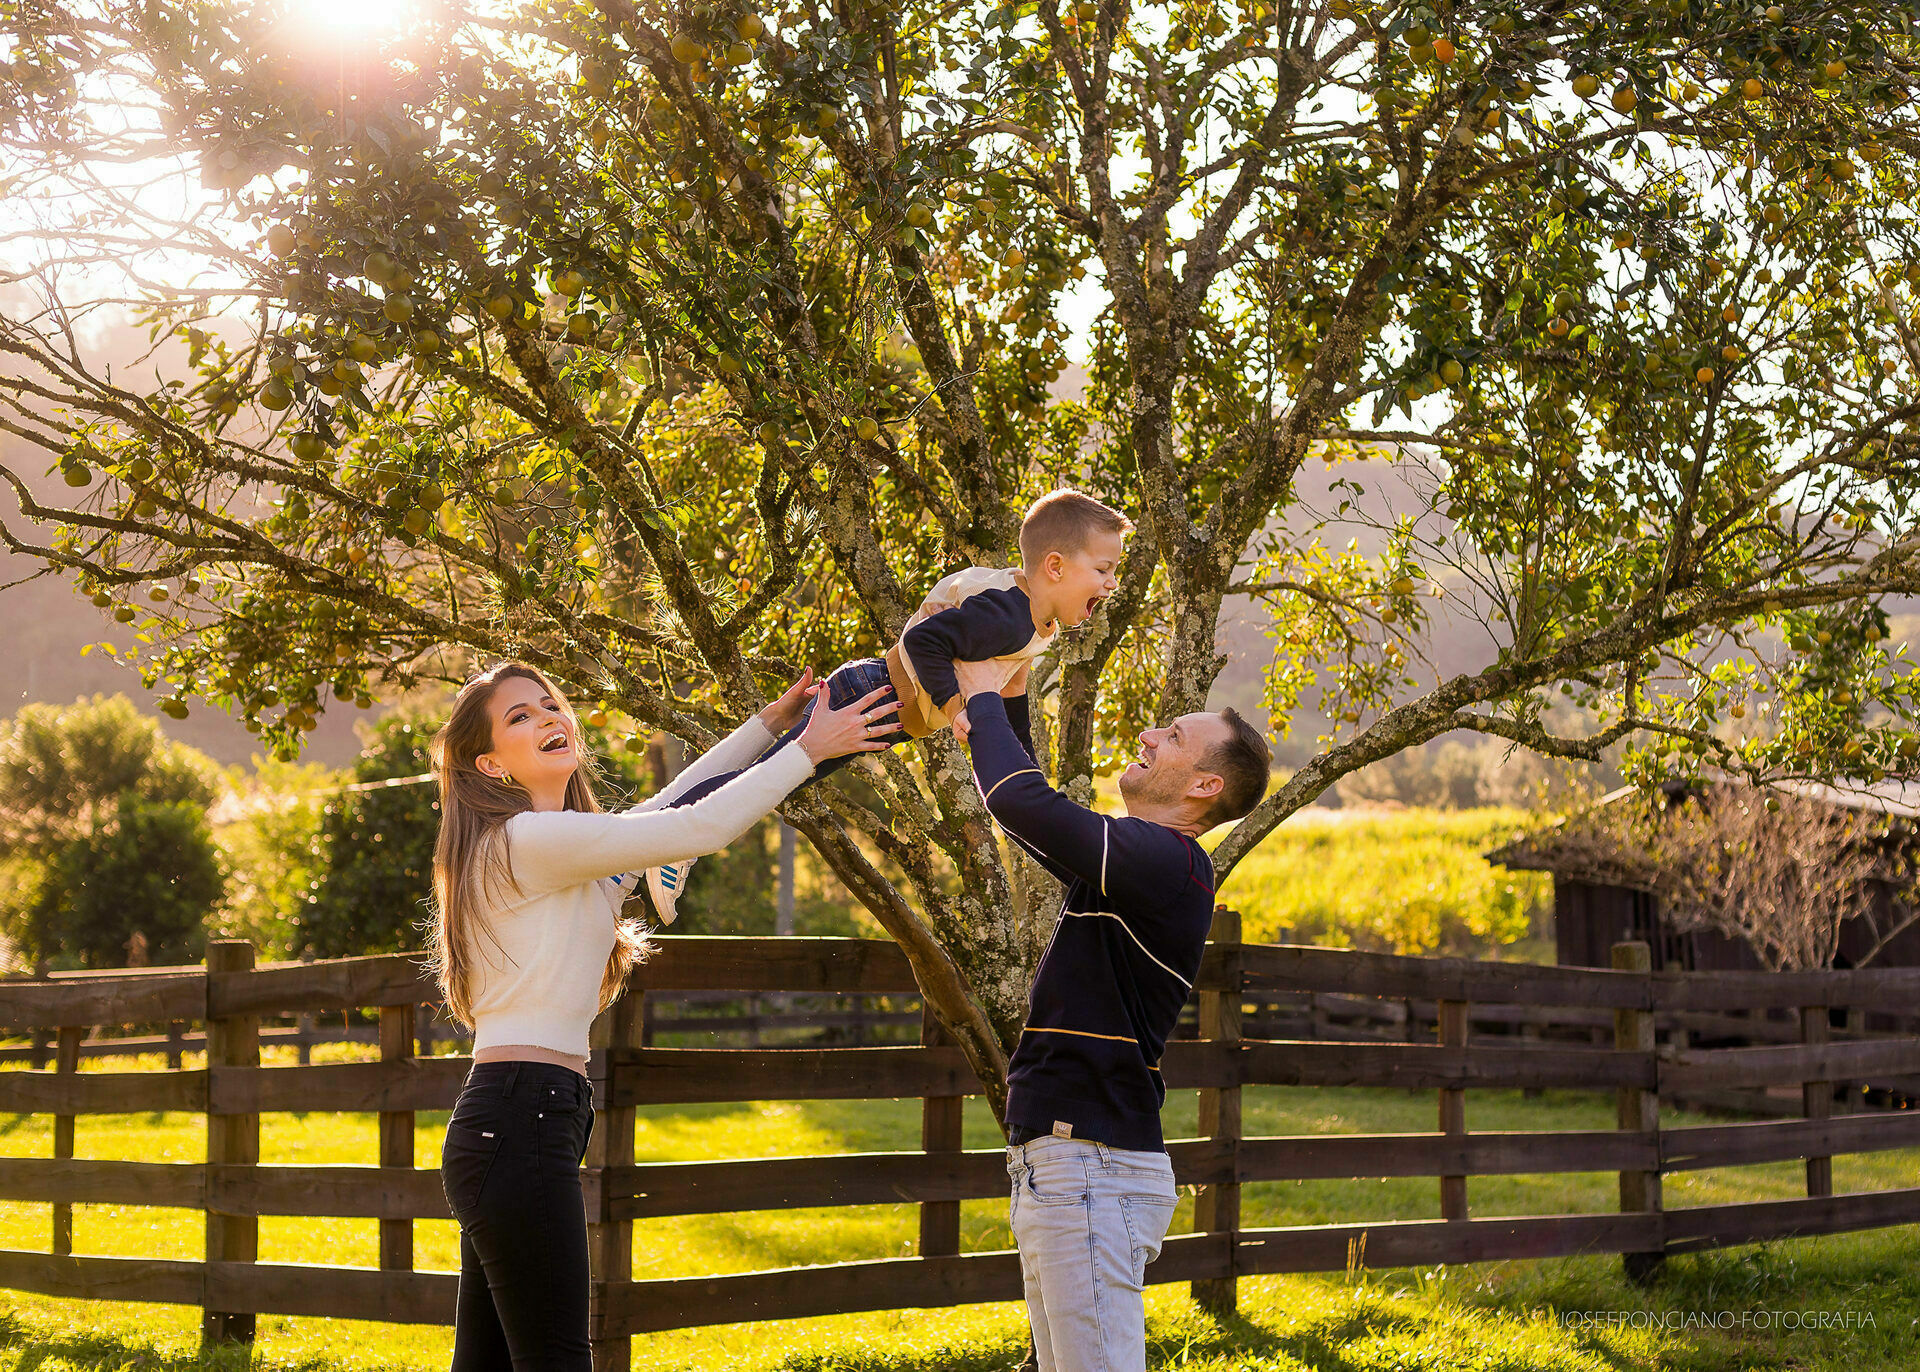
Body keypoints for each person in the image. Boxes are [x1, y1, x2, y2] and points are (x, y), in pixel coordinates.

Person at [426, 660, 897, 1372]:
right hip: (520, 1119)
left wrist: (768, 725)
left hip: (518, 1121)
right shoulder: (529, 844)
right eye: (519, 716)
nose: (548, 717)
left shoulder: (567, 848)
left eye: (550, 703)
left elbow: (678, 802)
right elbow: (698, 827)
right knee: (556, 1359)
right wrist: (810, 748)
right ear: (488, 762)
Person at [956, 656, 1272, 1372]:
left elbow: (1019, 801)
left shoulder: (1169, 864)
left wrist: (975, 686)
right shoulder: (1139, 866)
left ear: (1203, 786)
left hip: (1090, 1165)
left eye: (1174, 735)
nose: (1151, 733)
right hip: (1065, 1161)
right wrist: (1006, 693)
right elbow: (1029, 816)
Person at [644, 487, 1133, 921]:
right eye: (1103, 569)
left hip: (876, 709)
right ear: (1055, 566)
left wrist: (1025, 769)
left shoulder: (1034, 623)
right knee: (766, 783)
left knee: (771, 784)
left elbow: (1012, 691)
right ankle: (670, 840)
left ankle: (666, 829)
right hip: (868, 698)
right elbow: (923, 641)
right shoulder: (1006, 613)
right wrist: (956, 705)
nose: (1112, 583)